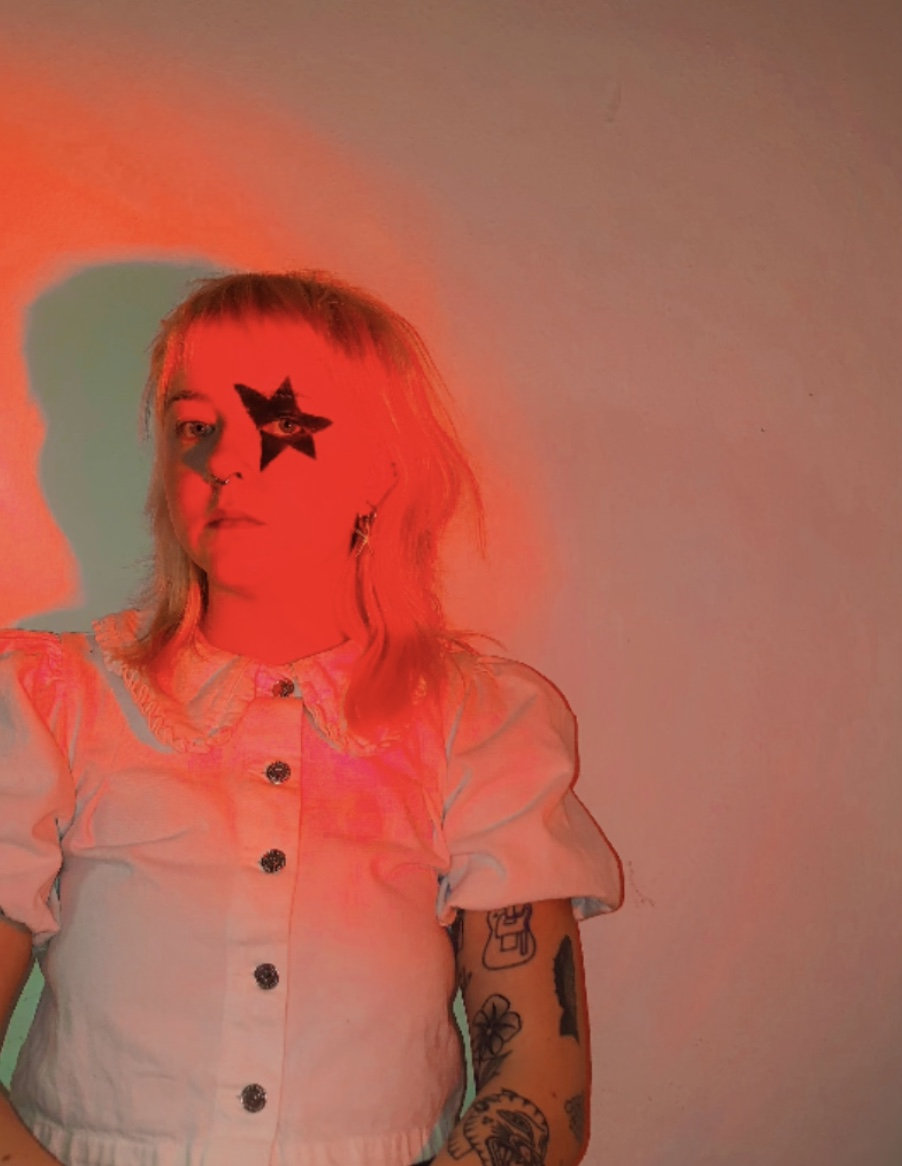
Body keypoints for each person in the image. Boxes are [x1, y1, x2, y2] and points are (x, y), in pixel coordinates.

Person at [0, 271, 622, 1166]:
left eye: (278, 421)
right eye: (193, 427)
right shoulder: (50, 704)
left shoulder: (478, 724)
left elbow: (537, 1088)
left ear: (377, 470)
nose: (223, 460)